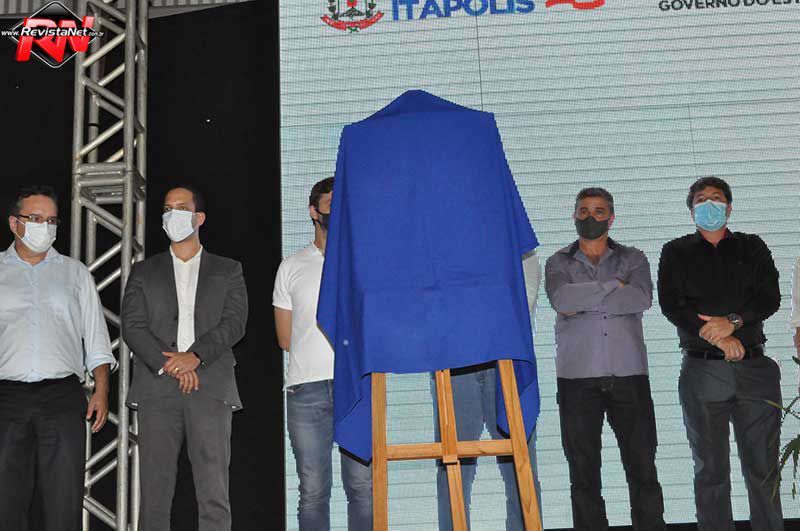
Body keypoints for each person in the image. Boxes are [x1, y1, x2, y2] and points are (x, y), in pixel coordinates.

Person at [658, 176, 783, 531]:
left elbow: (769, 297)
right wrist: (718, 338)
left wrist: (733, 323)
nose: (709, 204)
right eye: (701, 199)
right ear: (691, 209)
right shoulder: (675, 252)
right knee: (710, 471)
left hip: (754, 368)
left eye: (716, 198)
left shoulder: (752, 247)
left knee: (763, 468)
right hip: (702, 372)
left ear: (728, 208)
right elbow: (673, 304)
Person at [121, 185, 248, 531]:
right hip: (157, 387)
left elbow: (234, 323)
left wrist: (195, 357)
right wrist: (172, 364)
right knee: (154, 495)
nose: (171, 214)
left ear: (199, 218)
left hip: (211, 386)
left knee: (214, 494)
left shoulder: (228, 269)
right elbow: (132, 326)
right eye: (167, 208)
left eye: (180, 207)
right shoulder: (143, 271)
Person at [545, 187, 665, 531]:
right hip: (577, 380)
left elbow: (639, 299)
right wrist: (614, 285)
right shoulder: (557, 262)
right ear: (574, 216)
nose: (590, 217)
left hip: (629, 377)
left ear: (611, 218)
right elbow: (563, 300)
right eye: (583, 210)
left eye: (599, 211)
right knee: (583, 475)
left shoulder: (634, 258)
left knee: (643, 469)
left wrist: (585, 300)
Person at [0, 185, 115, 531]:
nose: (45, 227)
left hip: (62, 396)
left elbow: (96, 337)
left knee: (64, 500)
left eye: (51, 220)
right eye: (36, 219)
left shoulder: (75, 273)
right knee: (5, 501)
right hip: (6, 397)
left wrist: (101, 391)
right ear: (14, 223)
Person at [273, 177, 372, 531]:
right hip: (306, 389)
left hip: (355, 387)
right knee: (313, 491)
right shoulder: (291, 266)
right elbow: (285, 337)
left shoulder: (361, 262)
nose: (337, 209)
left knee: (363, 487)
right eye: (330, 203)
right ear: (314, 212)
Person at [432, 249, 543, 531]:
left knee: (520, 466)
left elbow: (524, 299)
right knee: (453, 467)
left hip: (505, 358)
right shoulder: (441, 238)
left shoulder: (512, 236)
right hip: (455, 361)